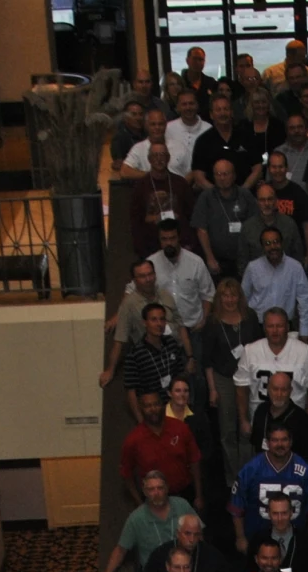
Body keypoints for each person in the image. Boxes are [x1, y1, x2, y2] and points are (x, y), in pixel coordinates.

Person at [198, 275, 261, 485]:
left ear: (239, 297)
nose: (229, 299)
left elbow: (260, 347)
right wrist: (212, 389)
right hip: (223, 380)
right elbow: (206, 359)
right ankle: (233, 478)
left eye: (233, 295)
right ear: (219, 298)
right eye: (225, 295)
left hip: (249, 380)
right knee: (228, 431)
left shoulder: (250, 317)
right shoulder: (213, 322)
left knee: (247, 428)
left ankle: (249, 473)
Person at [232, 421, 308, 549]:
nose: (280, 444)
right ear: (267, 442)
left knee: (290, 569)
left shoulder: (305, 472)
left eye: (284, 440)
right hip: (257, 541)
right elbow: (237, 507)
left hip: (294, 543)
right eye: (275, 440)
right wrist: (240, 537)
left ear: (291, 441)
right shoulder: (251, 470)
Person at [114, 409, 201, 544]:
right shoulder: (133, 439)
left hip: (183, 492)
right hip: (154, 499)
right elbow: (126, 473)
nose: (152, 409)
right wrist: (138, 502)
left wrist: (199, 495)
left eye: (155, 404)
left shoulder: (179, 428)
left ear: (162, 405)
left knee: (190, 537)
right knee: (158, 539)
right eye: (148, 405)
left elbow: (194, 459)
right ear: (141, 408)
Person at [100, 259, 179, 390]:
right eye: (142, 276)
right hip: (151, 361)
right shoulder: (129, 304)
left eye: (150, 274)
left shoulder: (165, 295)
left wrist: (189, 355)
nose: (148, 279)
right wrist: (110, 370)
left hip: (174, 355)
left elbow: (179, 324)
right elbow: (120, 339)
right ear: (135, 280)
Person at [242, 223, 308, 335]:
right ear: (262, 247)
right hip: (257, 327)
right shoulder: (253, 267)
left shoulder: (295, 267)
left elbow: (305, 301)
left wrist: (305, 331)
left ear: (282, 243)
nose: (272, 247)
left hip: (285, 327)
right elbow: (243, 299)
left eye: (276, 242)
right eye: (267, 243)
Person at [127, 144, 198, 262]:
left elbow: (192, 215)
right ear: (149, 159)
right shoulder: (141, 186)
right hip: (150, 248)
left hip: (181, 247)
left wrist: (190, 243)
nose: (159, 159)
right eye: (155, 155)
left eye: (162, 155)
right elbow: (135, 220)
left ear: (168, 158)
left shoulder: (180, 183)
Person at [191, 153, 258, 276]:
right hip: (217, 260)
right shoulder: (206, 197)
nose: (222, 178)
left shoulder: (245, 195)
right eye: (218, 174)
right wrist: (210, 258)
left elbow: (255, 226)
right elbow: (201, 230)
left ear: (234, 176)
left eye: (226, 174)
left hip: (244, 260)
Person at [247, 368, 308, 466]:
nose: (279, 394)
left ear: (290, 391)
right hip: (264, 472)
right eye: (275, 389)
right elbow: (255, 448)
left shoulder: (303, 419)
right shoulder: (261, 411)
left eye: (284, 390)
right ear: (268, 389)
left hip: (293, 475)